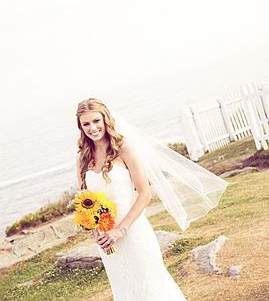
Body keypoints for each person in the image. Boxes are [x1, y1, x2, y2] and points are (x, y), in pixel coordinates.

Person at [76, 98, 228, 300]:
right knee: (125, 290)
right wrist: (97, 232)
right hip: (107, 241)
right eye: (86, 123)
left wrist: (120, 229)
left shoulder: (124, 148)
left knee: (152, 287)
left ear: (105, 119)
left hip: (133, 232)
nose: (92, 128)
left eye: (96, 121)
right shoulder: (82, 159)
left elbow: (144, 194)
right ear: (80, 126)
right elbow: (83, 199)